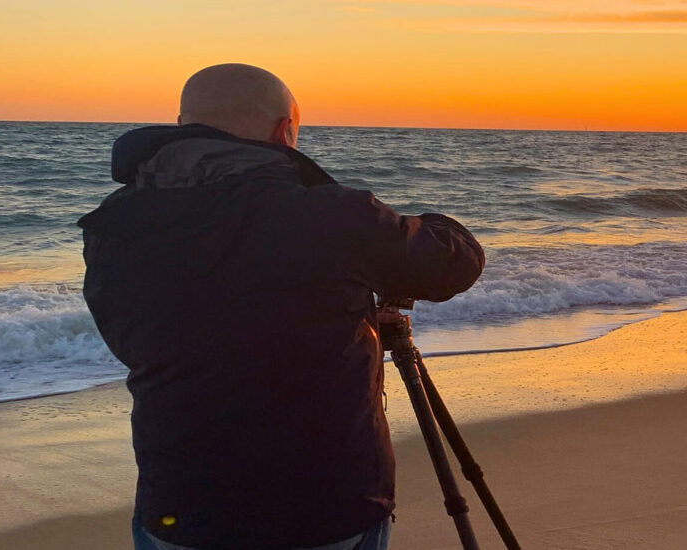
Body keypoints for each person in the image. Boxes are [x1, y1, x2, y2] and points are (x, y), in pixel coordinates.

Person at [78, 63, 485, 550]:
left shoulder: (116, 225)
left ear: (184, 125)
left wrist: (334, 309)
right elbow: (452, 265)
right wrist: (432, 222)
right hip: (324, 507)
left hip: (180, 505)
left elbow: (165, 333)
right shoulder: (331, 215)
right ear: (283, 130)